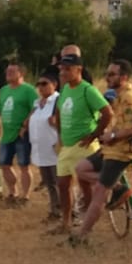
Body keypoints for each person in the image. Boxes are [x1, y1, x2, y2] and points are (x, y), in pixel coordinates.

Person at [72, 59, 132, 243]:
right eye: (107, 74)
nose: (107, 78)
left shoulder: (129, 98)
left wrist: (112, 136)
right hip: (111, 148)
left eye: (112, 74)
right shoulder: (117, 96)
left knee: (99, 190)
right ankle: (117, 187)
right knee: (81, 168)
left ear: (124, 77)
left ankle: (81, 236)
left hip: (123, 150)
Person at [50, 54, 107, 235]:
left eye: (67, 69)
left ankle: (86, 223)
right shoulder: (65, 89)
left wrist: (94, 135)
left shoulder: (87, 90)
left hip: (83, 146)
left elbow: (107, 113)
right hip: (67, 146)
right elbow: (58, 112)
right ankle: (66, 222)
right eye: (61, 69)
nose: (63, 73)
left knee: (84, 186)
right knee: (62, 184)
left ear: (78, 70)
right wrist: (59, 136)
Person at [0, 62, 38, 204]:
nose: (8, 73)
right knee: (4, 164)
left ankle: (26, 196)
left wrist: (26, 125)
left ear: (21, 73)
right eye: (7, 71)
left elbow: (35, 108)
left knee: (24, 165)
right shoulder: (4, 90)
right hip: (7, 134)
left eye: (12, 71)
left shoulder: (28, 90)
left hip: (22, 133)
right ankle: (13, 192)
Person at [28, 74, 61, 218]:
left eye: (44, 84)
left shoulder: (57, 101)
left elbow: (63, 122)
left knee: (58, 182)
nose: (41, 87)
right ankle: (55, 210)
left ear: (54, 85)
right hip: (40, 148)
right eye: (39, 84)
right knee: (49, 183)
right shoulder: (37, 104)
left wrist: (55, 124)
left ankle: (66, 211)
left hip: (54, 147)